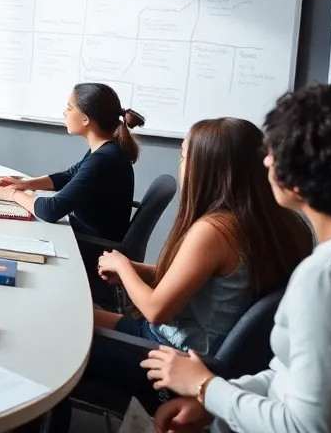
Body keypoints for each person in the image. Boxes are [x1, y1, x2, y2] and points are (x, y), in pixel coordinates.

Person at [144, 85, 331, 433]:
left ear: (301, 179)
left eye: (273, 153)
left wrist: (204, 386)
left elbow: (310, 428)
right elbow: (291, 375)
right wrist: (215, 400)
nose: (265, 161)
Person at [45, 118, 314, 431]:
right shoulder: (284, 224)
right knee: (69, 315)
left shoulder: (214, 230)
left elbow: (156, 310)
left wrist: (123, 267)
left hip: (176, 359)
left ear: (208, 167)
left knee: (54, 334)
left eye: (185, 156)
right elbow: (203, 280)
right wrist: (136, 271)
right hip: (207, 353)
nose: (181, 163)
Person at [0, 82, 143, 242]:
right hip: (87, 235)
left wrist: (14, 195)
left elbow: (51, 210)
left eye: (69, 108)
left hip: (95, 247)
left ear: (85, 119)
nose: (64, 113)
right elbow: (68, 176)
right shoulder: (104, 150)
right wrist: (25, 184)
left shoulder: (104, 158)